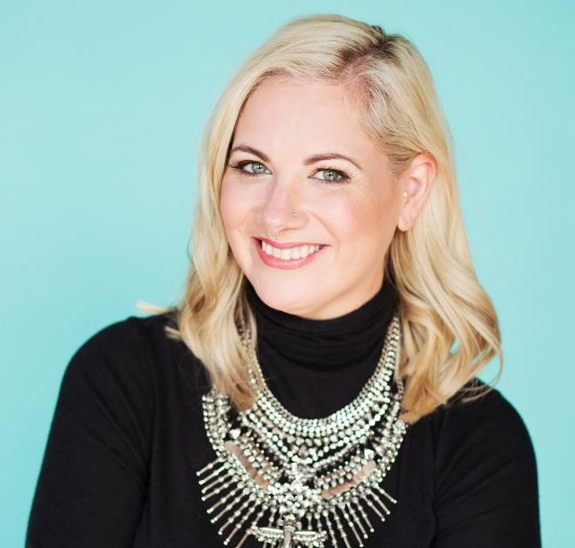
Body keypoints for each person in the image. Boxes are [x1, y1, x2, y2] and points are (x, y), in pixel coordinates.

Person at [25, 13, 541, 548]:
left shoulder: (479, 443)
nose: (276, 215)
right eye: (253, 166)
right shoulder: (122, 379)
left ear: (410, 192)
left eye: (328, 174)